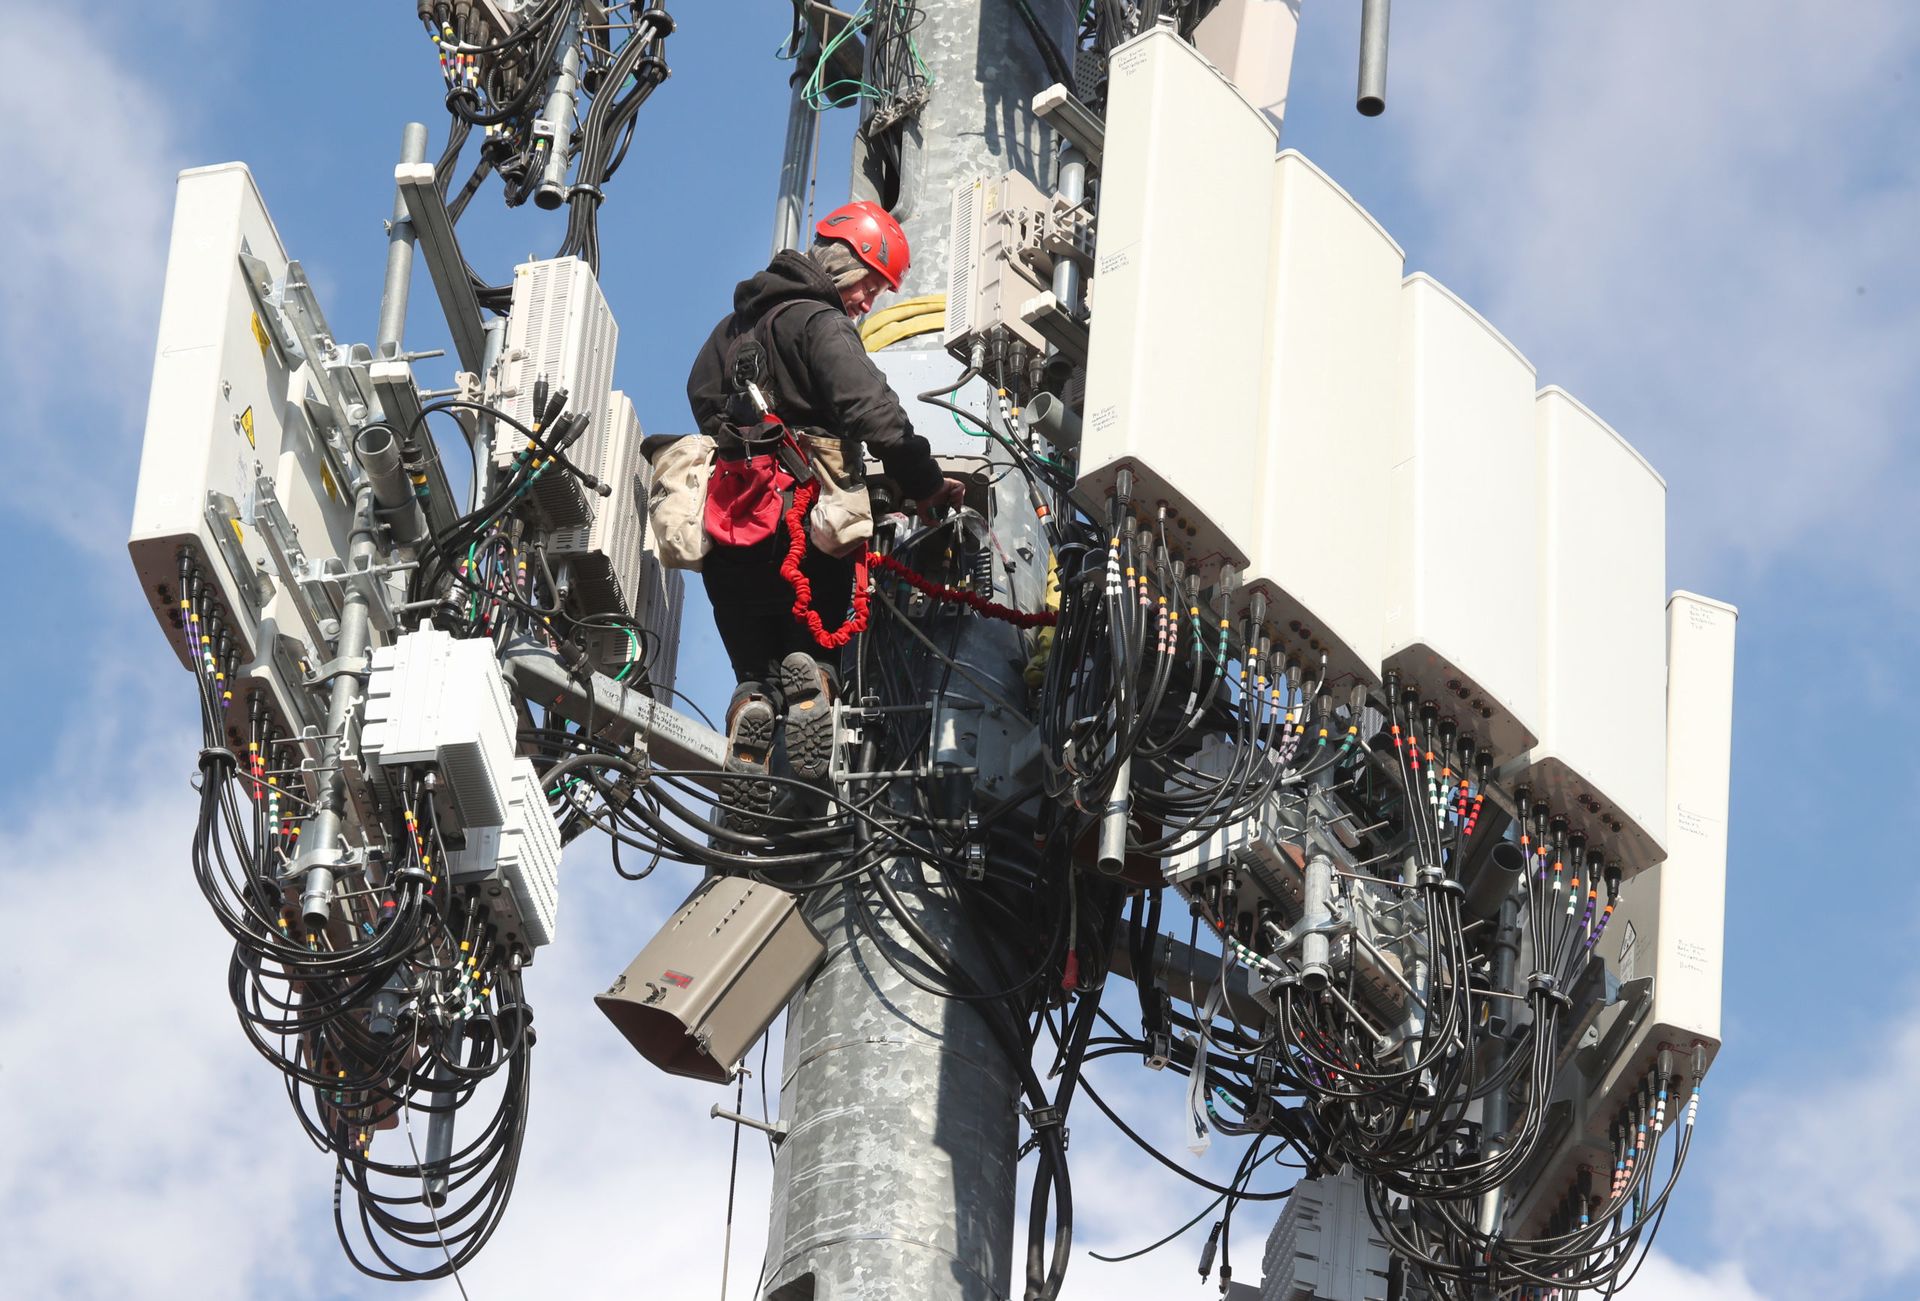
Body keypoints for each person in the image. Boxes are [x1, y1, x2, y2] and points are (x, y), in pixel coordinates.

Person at [686, 200, 965, 818]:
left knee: (755, 664)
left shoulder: (727, 334)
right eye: (871, 285)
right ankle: (817, 690)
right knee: (819, 643)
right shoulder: (820, 323)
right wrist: (924, 485)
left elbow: (701, 398)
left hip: (729, 527)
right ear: (846, 265)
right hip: (806, 523)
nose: (869, 303)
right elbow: (875, 413)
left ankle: (753, 707)